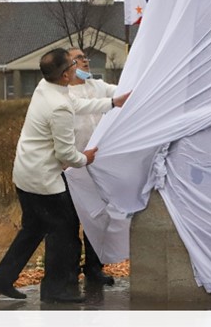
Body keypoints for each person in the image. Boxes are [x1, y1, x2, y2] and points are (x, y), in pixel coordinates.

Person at [0, 48, 129, 303]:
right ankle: (56, 290)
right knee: (64, 231)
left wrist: (111, 103)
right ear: (65, 75)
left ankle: (2, 279)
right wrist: (86, 158)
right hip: (43, 179)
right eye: (73, 65)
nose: (78, 66)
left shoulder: (46, 87)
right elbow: (66, 155)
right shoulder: (59, 107)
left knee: (33, 228)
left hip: (25, 172)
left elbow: (78, 104)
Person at [65, 47, 118, 286]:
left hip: (96, 164)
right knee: (69, 220)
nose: (85, 61)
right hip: (69, 165)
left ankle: (94, 268)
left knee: (96, 218)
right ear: (67, 66)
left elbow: (120, 93)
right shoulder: (63, 92)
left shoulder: (97, 86)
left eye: (86, 58)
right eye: (79, 59)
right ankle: (69, 270)